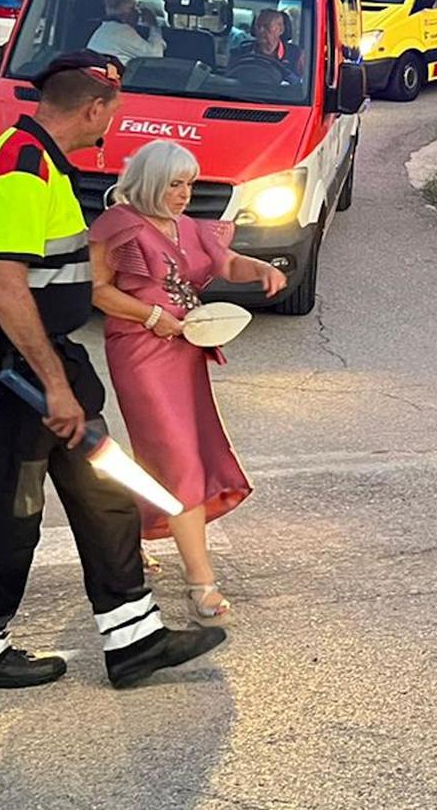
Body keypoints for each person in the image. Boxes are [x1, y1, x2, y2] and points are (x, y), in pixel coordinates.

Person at [0, 50, 227, 691]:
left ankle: (135, 640)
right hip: (17, 373)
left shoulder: (32, 157)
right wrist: (56, 388)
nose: (112, 125)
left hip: (40, 364)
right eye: (112, 112)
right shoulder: (20, 167)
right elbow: (7, 285)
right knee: (11, 513)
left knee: (107, 495)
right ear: (94, 108)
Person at [89, 140, 286, 623]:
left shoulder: (188, 227)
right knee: (178, 460)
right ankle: (201, 583)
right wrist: (154, 315)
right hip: (141, 353)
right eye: (175, 184)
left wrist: (260, 268)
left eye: (189, 183)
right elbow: (97, 290)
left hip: (186, 350)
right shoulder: (118, 225)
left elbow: (227, 262)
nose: (184, 193)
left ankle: (126, 539)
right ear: (151, 181)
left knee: (174, 452)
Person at [226, 8, 303, 85]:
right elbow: (228, 80)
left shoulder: (296, 55)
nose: (260, 30)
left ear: (280, 30)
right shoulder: (240, 51)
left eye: (266, 26)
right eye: (258, 26)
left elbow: (300, 86)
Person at [87, 0, 167, 62]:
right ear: (126, 14)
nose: (138, 12)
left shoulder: (103, 29)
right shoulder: (122, 32)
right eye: (134, 8)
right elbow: (155, 57)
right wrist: (153, 25)